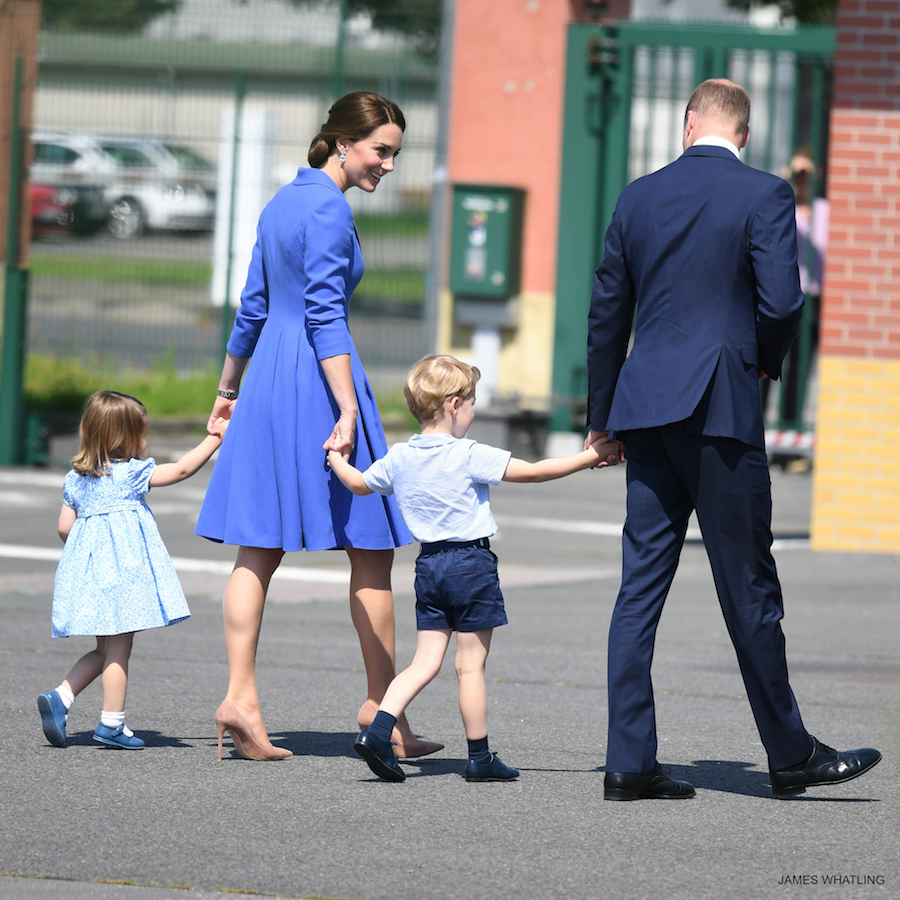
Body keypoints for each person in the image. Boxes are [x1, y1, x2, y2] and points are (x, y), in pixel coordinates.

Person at [586, 79, 881, 800]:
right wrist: (760, 363)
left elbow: (605, 312)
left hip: (646, 409)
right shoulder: (766, 194)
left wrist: (602, 415)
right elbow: (782, 300)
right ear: (742, 133)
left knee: (638, 590)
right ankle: (789, 755)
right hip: (720, 411)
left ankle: (627, 762)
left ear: (689, 124)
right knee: (747, 585)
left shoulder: (636, 196)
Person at [195, 91, 440, 762]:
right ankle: (381, 707)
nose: (387, 164)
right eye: (380, 150)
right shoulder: (329, 209)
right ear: (341, 143)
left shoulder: (281, 202)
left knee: (258, 548)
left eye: (394, 153)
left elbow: (252, 306)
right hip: (316, 380)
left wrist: (227, 389)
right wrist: (350, 407)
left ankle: (240, 700)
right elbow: (324, 316)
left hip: (269, 378)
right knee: (371, 545)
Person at [328, 355, 621, 782]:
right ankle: (479, 757)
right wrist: (591, 455)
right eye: (471, 404)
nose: (470, 412)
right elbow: (536, 472)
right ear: (452, 404)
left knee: (425, 661)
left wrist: (337, 457)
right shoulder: (468, 454)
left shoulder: (400, 456)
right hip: (471, 564)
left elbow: (358, 484)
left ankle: (378, 730)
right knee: (469, 666)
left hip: (428, 566)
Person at [38, 390, 228, 750]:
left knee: (103, 649)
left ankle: (61, 696)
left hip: (93, 576)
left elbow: (65, 528)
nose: (146, 438)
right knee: (119, 652)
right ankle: (111, 723)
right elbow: (183, 468)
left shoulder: (75, 479)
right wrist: (215, 438)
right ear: (126, 436)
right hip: (122, 577)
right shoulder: (129, 474)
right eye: (143, 431)